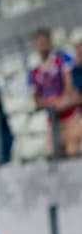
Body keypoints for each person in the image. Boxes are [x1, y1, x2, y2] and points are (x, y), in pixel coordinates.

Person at [28, 28, 82, 157]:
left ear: (50, 42)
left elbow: (70, 86)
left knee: (73, 154)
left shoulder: (62, 60)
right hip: (52, 121)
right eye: (39, 43)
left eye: (44, 42)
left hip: (71, 116)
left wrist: (63, 101)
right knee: (55, 157)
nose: (42, 46)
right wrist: (50, 104)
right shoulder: (34, 71)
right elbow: (36, 98)